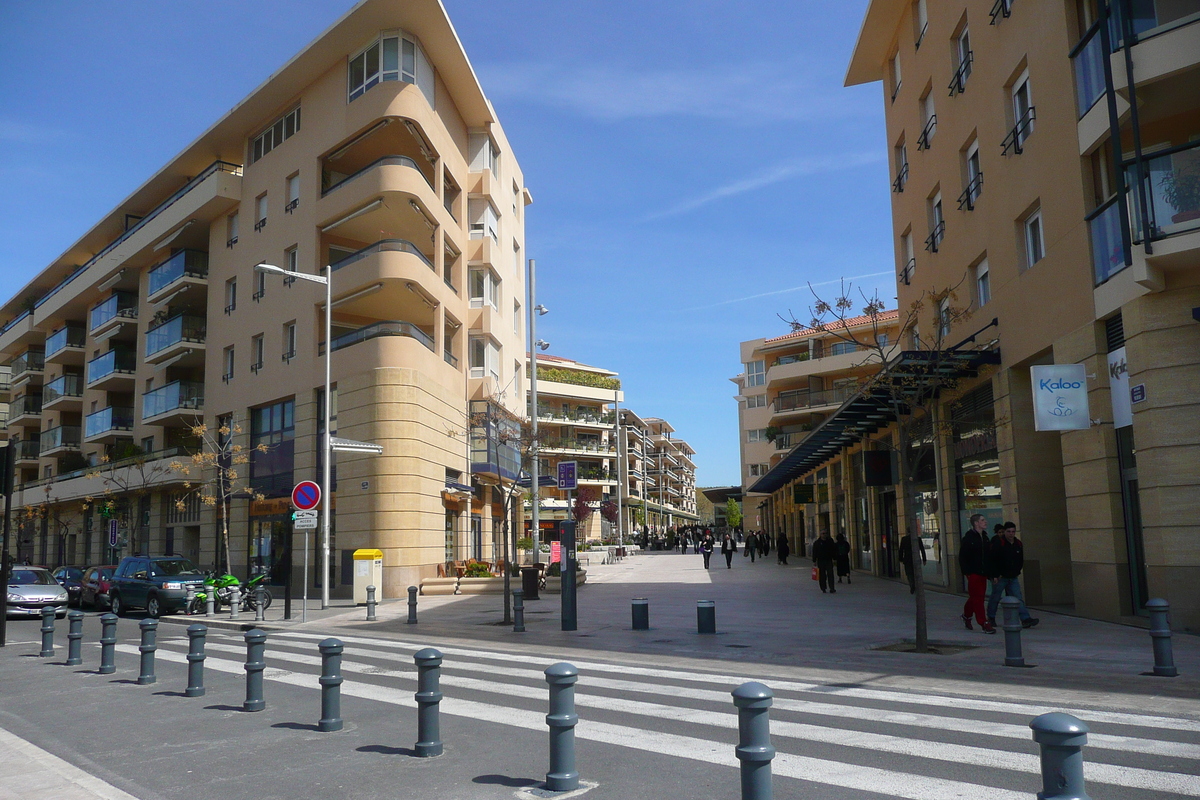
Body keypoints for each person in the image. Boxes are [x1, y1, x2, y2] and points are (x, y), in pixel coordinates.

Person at [987, 522, 1040, 629]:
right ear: (1005, 532)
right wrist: (995, 575)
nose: (1011, 534)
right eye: (1009, 531)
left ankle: (1025, 619)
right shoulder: (999, 543)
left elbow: (1019, 559)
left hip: (1012, 576)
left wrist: (1016, 571)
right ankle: (991, 618)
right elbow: (992, 560)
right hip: (1001, 576)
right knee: (995, 597)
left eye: (1013, 531)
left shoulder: (1018, 544)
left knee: (1018, 598)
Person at [959, 514, 996, 633]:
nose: (985, 522)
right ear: (976, 523)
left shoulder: (985, 538)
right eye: (982, 520)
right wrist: (967, 572)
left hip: (983, 573)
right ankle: (983, 622)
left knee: (975, 597)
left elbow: (989, 557)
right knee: (978, 598)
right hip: (973, 573)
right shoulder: (969, 538)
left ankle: (966, 616)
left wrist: (992, 574)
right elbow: (963, 557)